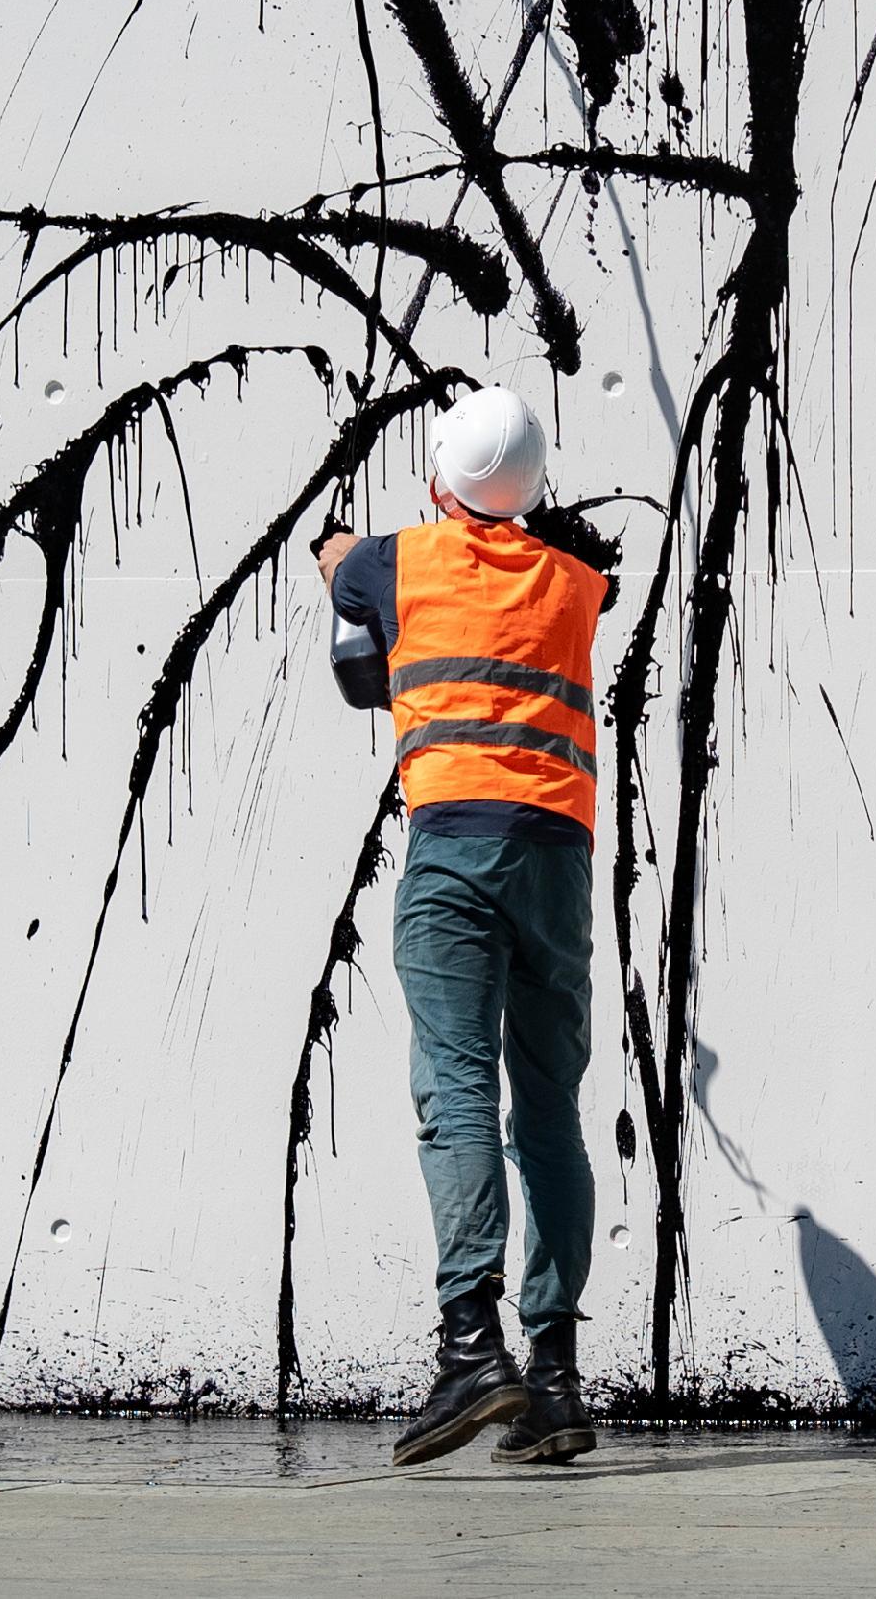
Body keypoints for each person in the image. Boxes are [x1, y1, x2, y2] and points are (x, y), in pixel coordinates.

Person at [312, 384, 612, 1467]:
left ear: (440, 479)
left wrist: (336, 546)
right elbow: (558, 556)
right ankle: (558, 1380)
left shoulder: (399, 562)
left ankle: (471, 1345)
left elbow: (344, 567)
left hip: (455, 852)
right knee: (551, 1115)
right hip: (559, 861)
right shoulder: (579, 586)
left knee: (455, 1090)